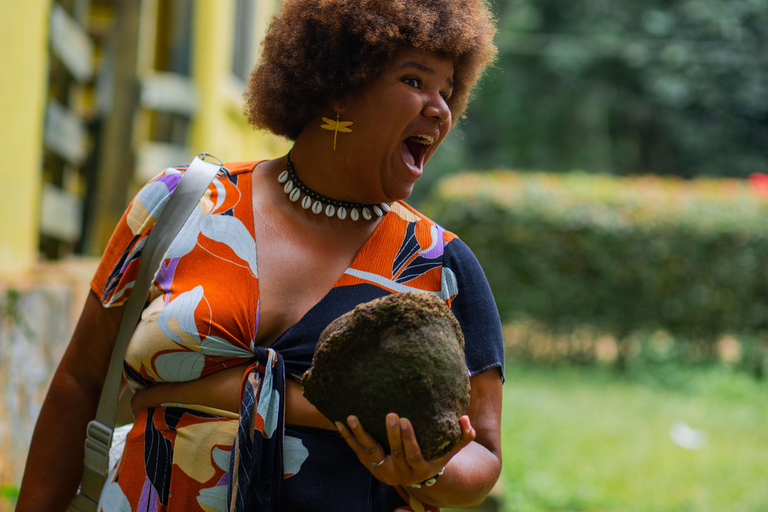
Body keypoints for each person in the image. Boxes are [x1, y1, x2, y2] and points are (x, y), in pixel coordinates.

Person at [17, 0, 504, 510]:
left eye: (448, 92)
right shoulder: (180, 205)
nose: (440, 109)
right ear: (337, 86)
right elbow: (80, 382)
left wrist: (429, 472)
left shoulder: (440, 266)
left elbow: (484, 456)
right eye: (413, 81)